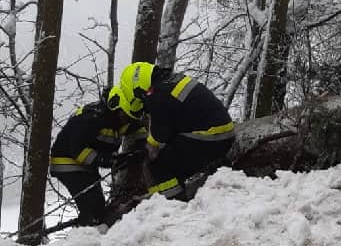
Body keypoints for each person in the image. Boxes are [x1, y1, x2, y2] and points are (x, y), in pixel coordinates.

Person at [112, 62, 235, 200]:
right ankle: (160, 197)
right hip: (220, 134)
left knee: (159, 165)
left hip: (210, 138)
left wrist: (146, 150)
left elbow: (160, 135)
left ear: (135, 88)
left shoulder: (157, 94)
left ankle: (170, 202)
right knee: (172, 155)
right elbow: (173, 124)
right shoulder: (171, 82)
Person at [49, 92, 147, 226]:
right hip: (67, 162)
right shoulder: (91, 119)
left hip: (87, 164)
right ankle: (86, 229)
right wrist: (108, 160)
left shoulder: (125, 117)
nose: (126, 120)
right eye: (124, 116)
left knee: (98, 206)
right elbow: (79, 151)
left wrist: (141, 149)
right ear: (115, 109)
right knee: (91, 206)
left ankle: (91, 226)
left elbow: (139, 130)